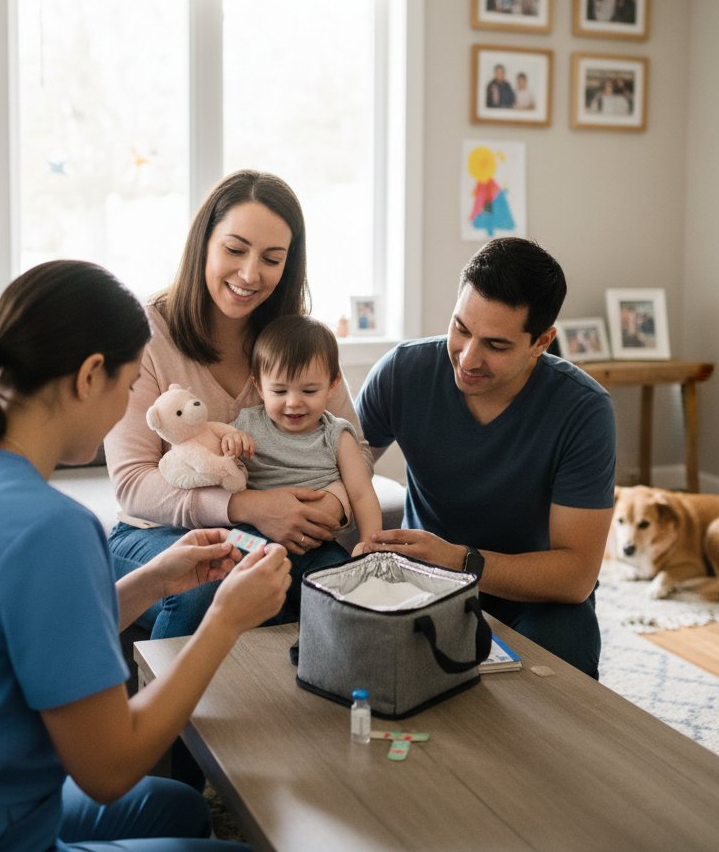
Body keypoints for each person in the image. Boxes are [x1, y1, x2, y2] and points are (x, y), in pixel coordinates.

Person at [0, 259, 292, 852]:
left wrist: (153, 580)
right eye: (130, 383)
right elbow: (109, 770)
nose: (129, 410)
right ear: (90, 375)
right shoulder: (50, 528)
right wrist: (224, 618)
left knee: (179, 807)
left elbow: (23, 634)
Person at [105, 170, 371, 640]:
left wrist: (333, 503)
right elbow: (131, 483)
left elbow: (352, 444)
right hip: (151, 533)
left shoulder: (296, 341)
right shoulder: (146, 333)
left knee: (329, 586)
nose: (251, 274)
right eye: (234, 250)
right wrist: (245, 505)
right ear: (203, 243)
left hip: (265, 539)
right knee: (212, 579)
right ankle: (165, 713)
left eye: (272, 259)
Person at [355, 237, 616, 679]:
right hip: (422, 582)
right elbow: (343, 468)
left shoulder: (584, 410)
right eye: (461, 328)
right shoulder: (403, 372)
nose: (468, 358)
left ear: (542, 341)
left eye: (496, 345)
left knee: (564, 678)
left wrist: (460, 560)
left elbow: (575, 575)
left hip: (536, 597)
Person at [223, 314, 383, 555]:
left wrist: (370, 544)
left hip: (316, 543)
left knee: (337, 581)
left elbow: (361, 494)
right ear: (259, 387)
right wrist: (228, 441)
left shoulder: (337, 435)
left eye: (309, 391)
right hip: (254, 537)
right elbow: (218, 464)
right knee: (229, 556)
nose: (294, 402)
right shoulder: (246, 424)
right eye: (279, 390)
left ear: (332, 385)